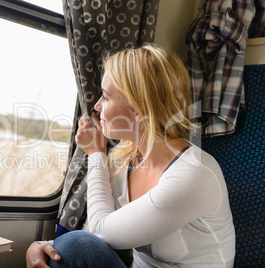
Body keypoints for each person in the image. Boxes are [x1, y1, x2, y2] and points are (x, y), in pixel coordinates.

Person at [26, 44, 235, 268]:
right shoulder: (124, 160)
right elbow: (91, 236)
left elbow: (99, 232)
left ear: (137, 107)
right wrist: (41, 246)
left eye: (105, 97)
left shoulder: (194, 174)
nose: (96, 106)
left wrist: (96, 154)